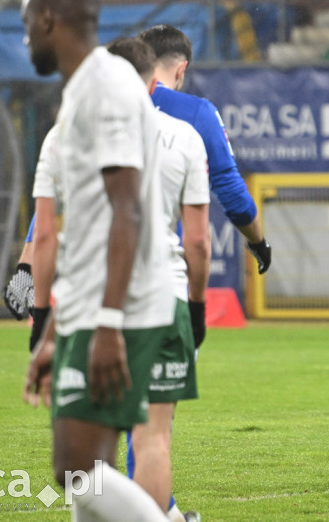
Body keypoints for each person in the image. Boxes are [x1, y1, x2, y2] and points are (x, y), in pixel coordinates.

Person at [20, 0, 173, 522]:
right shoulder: (88, 86)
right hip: (91, 307)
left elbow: (126, 209)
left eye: (26, 26)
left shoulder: (103, 87)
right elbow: (86, 230)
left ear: (48, 19)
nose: (24, 40)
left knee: (76, 470)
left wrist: (107, 322)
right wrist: (55, 332)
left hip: (118, 309)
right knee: (88, 476)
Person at [107, 36, 209, 522]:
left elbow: (47, 233)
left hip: (93, 299)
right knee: (152, 436)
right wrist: (197, 306)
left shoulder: (68, 133)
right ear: (154, 84)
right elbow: (198, 242)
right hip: (162, 295)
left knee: (93, 436)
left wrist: (42, 311)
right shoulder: (183, 134)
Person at [136, 24, 271, 275]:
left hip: (102, 264)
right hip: (161, 270)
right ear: (181, 69)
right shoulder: (197, 113)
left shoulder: (106, 107)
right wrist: (258, 242)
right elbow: (232, 192)